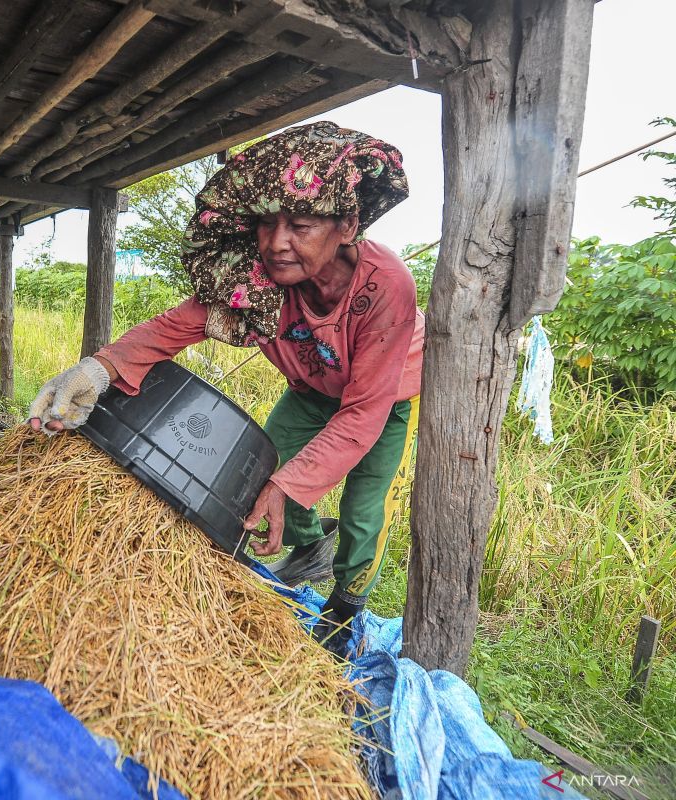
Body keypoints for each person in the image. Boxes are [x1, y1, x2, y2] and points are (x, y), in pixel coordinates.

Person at [28, 121, 423, 658]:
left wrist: (289, 487)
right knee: (261, 468)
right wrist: (96, 372)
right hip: (312, 388)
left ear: (347, 224)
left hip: (384, 399)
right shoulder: (256, 280)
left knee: (362, 511)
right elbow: (172, 328)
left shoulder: (386, 287)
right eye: (266, 224)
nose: (277, 243)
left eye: (301, 225)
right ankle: (307, 549)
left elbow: (361, 416)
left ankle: (343, 606)